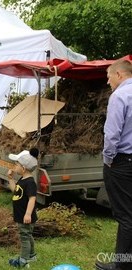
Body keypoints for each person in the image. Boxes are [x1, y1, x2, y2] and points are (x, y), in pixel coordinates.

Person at [96, 59, 132, 270]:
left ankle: (121, 265)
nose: (108, 82)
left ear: (119, 74)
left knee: (125, 216)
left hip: (122, 162)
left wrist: (108, 160)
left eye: (109, 77)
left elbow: (112, 134)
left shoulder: (119, 96)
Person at [7, 148, 39, 269]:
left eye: (17, 164)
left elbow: (32, 199)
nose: (15, 166)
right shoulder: (22, 179)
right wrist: (10, 179)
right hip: (21, 215)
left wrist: (28, 214)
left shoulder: (30, 182)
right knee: (28, 235)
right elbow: (15, 191)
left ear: (24, 168)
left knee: (24, 236)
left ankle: (23, 260)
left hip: (25, 215)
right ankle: (31, 255)